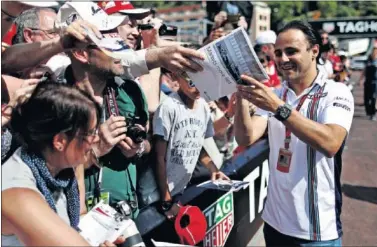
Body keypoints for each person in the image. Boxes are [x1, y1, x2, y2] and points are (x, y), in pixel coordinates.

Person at [235, 20, 354, 246]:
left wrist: (279, 108)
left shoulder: (336, 92)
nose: (283, 59)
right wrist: (242, 95)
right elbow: (245, 138)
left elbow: (330, 143)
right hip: (274, 222)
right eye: (278, 53)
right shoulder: (274, 93)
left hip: (316, 231)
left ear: (314, 51)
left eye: (292, 51)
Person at [2, 81, 125, 246]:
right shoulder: (18, 195)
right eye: (90, 133)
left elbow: (77, 219)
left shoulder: (67, 168)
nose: (96, 138)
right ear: (60, 141)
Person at [153, 72, 229, 220]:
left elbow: (196, 144)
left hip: (181, 189)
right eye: (192, 83)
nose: (199, 88)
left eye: (203, 82)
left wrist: (213, 168)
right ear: (177, 79)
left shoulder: (203, 106)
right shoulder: (168, 108)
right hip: (161, 193)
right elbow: (158, 157)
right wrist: (166, 199)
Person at [358, 43, 377, 121]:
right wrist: (361, 79)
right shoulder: (369, 60)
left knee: (373, 98)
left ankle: (373, 113)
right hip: (368, 81)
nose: (374, 53)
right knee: (366, 98)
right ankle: (369, 112)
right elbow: (364, 70)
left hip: (375, 82)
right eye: (374, 51)